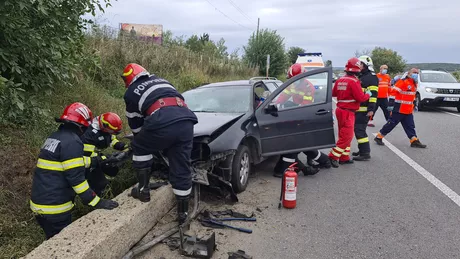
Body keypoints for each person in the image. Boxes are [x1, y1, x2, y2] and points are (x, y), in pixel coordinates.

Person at [121, 63, 198, 225]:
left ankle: (143, 190)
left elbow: (136, 128)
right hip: (186, 121)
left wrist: (144, 141)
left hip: (162, 119)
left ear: (128, 79)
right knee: (181, 164)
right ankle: (183, 214)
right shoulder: (162, 80)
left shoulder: (131, 92)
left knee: (140, 146)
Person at [30, 102, 119, 239]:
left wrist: (97, 160)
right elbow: (76, 179)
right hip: (56, 209)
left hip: (40, 204)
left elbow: (65, 164)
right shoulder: (72, 142)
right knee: (62, 243)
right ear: (81, 126)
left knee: (51, 240)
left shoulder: (55, 137)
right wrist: (96, 202)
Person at [272, 63, 331, 178]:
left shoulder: (309, 87)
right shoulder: (293, 84)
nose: (294, 81)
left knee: (298, 144)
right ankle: (324, 161)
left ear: (303, 77)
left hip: (305, 117)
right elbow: (283, 96)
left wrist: (291, 110)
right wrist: (276, 105)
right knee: (302, 145)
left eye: (296, 79)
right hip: (295, 115)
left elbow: (305, 106)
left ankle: (314, 164)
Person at [328, 57, 371, 167]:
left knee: (343, 134)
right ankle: (332, 156)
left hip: (340, 110)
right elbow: (360, 98)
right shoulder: (354, 81)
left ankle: (344, 157)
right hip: (348, 112)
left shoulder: (340, 80)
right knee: (347, 136)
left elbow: (333, 94)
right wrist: (368, 95)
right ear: (357, 69)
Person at [374, 68, 427, 148]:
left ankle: (414, 140)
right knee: (391, 124)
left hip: (408, 110)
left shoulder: (414, 83)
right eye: (414, 72)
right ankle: (379, 137)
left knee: (410, 126)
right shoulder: (402, 82)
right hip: (399, 109)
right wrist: (391, 106)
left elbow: (412, 96)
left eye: (417, 73)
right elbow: (393, 93)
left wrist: (414, 105)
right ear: (409, 73)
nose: (416, 74)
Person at [81, 112, 127, 196]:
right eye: (112, 131)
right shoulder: (90, 134)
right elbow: (87, 155)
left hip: (97, 156)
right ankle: (98, 195)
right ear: (104, 126)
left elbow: (112, 140)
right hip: (87, 163)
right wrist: (104, 158)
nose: (112, 133)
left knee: (113, 168)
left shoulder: (107, 130)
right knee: (101, 185)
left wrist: (121, 146)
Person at [351, 55, 379, 161]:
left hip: (364, 110)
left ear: (366, 65)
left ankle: (365, 153)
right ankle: (362, 150)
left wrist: (371, 109)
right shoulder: (362, 76)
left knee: (359, 130)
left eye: (361, 64)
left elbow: (373, 95)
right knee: (358, 130)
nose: (359, 66)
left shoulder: (371, 78)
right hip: (359, 109)